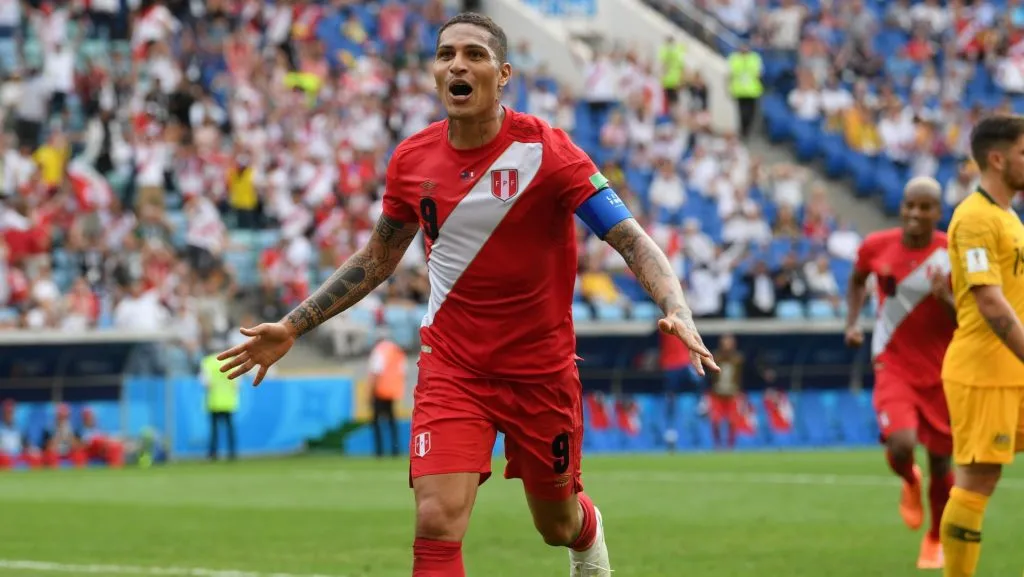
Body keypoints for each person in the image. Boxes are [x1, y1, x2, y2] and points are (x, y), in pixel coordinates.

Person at [217, 12, 717, 577]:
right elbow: (378, 257)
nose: (457, 63)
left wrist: (675, 306)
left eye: (474, 54)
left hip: (540, 373)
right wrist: (294, 325)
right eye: (446, 54)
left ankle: (588, 541)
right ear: (434, 73)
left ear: (503, 74)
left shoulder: (549, 153)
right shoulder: (412, 160)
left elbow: (631, 238)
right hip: (454, 368)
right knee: (436, 519)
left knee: (555, 525)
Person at [844, 176, 956, 570]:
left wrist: (947, 300)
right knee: (901, 443)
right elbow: (857, 280)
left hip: (944, 370)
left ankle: (936, 537)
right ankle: (910, 479)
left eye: (924, 207)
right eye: (910, 205)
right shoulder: (875, 246)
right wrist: (853, 322)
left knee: (943, 463)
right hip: (892, 363)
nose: (915, 213)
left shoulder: (951, 252)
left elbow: (969, 318)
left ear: (937, 213)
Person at [939, 115, 1024, 577]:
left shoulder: (1008, 215)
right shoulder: (974, 218)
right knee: (977, 481)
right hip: (984, 371)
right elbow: (990, 303)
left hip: (1015, 369)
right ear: (998, 158)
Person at [368, 332, 407, 458]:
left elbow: (376, 372)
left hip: (379, 391)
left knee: (376, 422)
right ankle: (395, 451)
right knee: (392, 422)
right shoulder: (397, 351)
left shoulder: (379, 351)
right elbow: (403, 372)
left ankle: (379, 452)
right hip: (392, 391)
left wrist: (370, 393)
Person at [200, 352, 239, 461]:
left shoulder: (207, 362)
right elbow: (237, 384)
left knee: (214, 430)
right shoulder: (232, 361)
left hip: (214, 401)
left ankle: (213, 454)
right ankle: (232, 453)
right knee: (230, 429)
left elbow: (205, 383)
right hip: (228, 402)